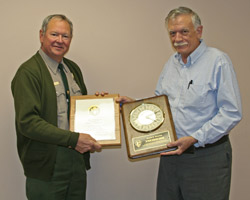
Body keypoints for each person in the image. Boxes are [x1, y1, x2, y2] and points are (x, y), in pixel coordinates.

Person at [117, 6, 242, 200]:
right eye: (172, 33)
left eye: (184, 31)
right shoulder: (171, 64)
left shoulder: (218, 61)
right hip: (171, 156)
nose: (177, 39)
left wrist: (195, 138)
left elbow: (231, 112)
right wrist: (136, 108)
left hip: (206, 158)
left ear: (198, 31)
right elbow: (162, 106)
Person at [11, 14, 102, 200]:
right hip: (47, 166)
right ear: (41, 35)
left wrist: (101, 106)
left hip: (76, 160)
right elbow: (28, 123)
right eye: (54, 34)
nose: (60, 41)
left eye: (65, 36)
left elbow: (82, 112)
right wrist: (73, 138)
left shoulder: (72, 69)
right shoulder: (28, 72)